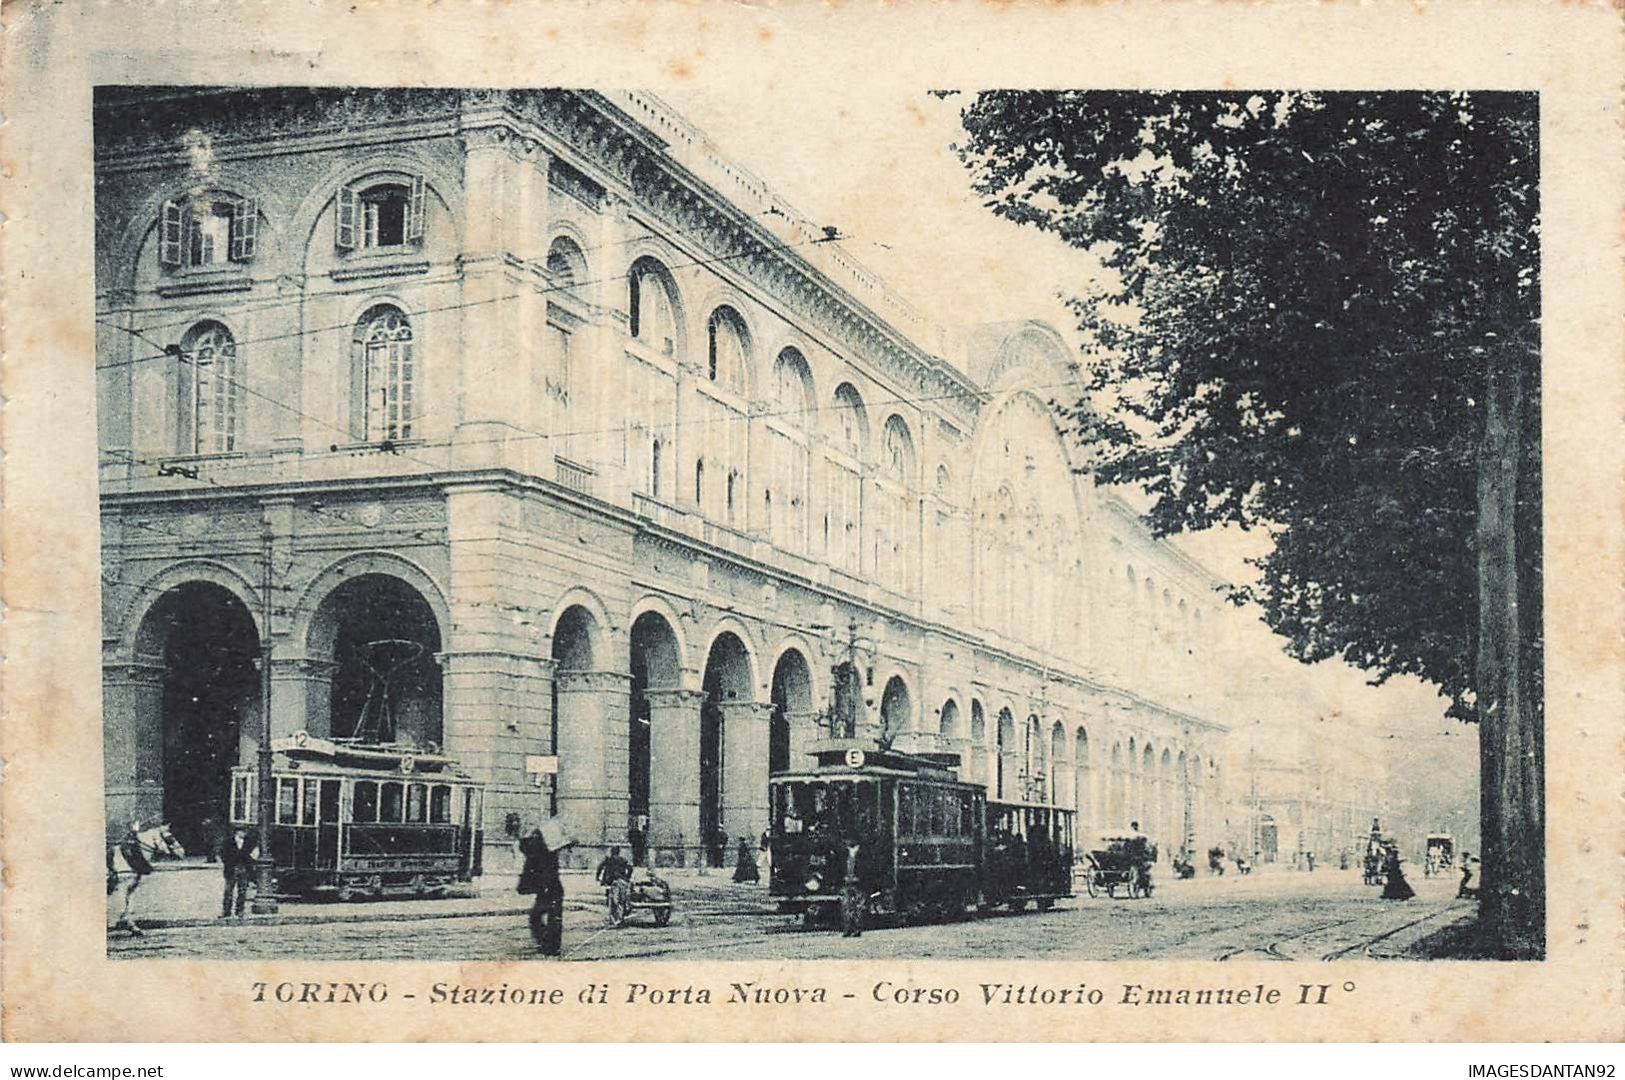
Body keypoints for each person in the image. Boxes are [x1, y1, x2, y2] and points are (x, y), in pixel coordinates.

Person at [518, 829, 564, 956]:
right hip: (549, 890)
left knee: (546, 918)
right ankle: (548, 944)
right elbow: (524, 848)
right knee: (544, 917)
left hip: (551, 890)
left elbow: (525, 848)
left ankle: (551, 946)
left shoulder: (545, 853)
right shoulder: (545, 852)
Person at [220, 826, 258, 918]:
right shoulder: (228, 842)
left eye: (245, 832)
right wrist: (228, 862)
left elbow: (253, 854)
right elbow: (223, 854)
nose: (244, 834)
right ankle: (226, 911)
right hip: (231, 868)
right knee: (228, 891)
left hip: (244, 868)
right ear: (237, 832)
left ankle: (240, 911)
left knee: (242, 891)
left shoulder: (249, 842)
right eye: (242, 832)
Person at [840, 836, 867, 937]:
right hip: (848, 884)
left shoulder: (862, 858)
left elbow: (866, 872)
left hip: (858, 885)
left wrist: (859, 878)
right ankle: (847, 928)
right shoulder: (845, 858)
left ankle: (857, 929)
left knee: (857, 908)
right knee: (847, 907)